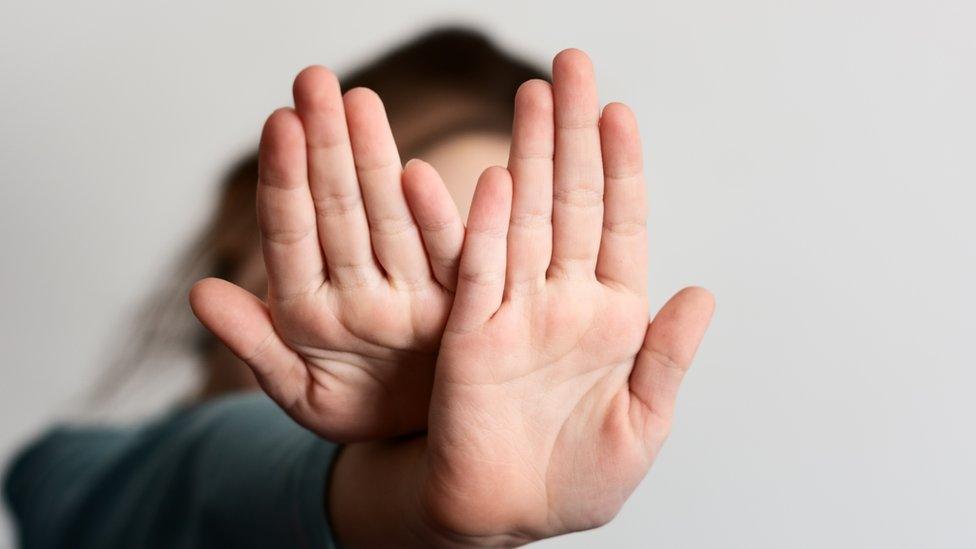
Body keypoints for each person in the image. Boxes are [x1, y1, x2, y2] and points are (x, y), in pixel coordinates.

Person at [3, 28, 714, 548]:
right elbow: (219, 471)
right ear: (244, 222)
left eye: (499, 296)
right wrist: (410, 506)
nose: (463, 355)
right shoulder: (73, 476)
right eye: (389, 253)